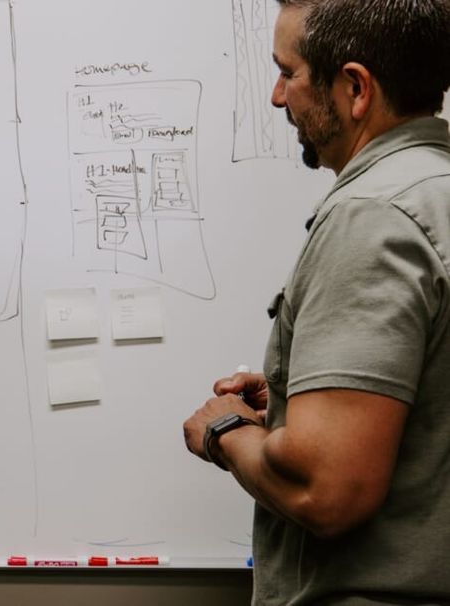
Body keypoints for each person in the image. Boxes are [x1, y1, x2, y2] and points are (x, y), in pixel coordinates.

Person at [183, 0, 450, 604]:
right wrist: (294, 396)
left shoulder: (372, 216)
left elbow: (326, 491)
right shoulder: (435, 189)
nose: (278, 96)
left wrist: (223, 430)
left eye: (289, 72)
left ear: (355, 88)